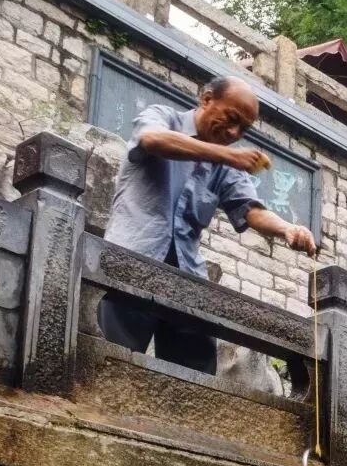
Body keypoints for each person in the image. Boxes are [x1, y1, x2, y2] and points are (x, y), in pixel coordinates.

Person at [100, 75, 317, 375]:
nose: (234, 133)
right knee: (111, 364)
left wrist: (287, 229)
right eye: (231, 119)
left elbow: (251, 209)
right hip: (131, 261)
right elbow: (152, 141)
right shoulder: (163, 118)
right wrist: (227, 155)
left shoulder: (227, 165)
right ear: (206, 99)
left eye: (243, 129)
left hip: (186, 278)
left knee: (195, 377)